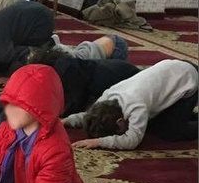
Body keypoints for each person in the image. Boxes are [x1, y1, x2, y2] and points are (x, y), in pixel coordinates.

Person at [64, 59, 199, 150]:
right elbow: (89, 115)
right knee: (152, 124)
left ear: (120, 122)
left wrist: (99, 142)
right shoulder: (108, 96)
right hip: (174, 69)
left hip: (189, 79)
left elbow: (133, 140)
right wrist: (65, 121)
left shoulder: (136, 106)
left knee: (171, 132)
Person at [27, 46, 140, 116]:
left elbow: (77, 101)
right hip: (114, 72)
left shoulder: (67, 71)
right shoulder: (60, 67)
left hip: (125, 80)